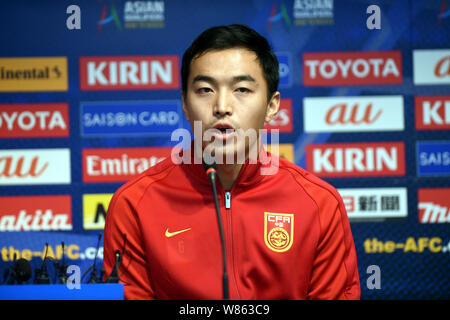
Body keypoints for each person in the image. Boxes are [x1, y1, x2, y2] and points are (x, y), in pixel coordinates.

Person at [103, 24, 360, 300]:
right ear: (185, 105)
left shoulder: (319, 204)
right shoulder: (134, 205)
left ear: (272, 106)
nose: (222, 106)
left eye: (241, 89)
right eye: (205, 90)